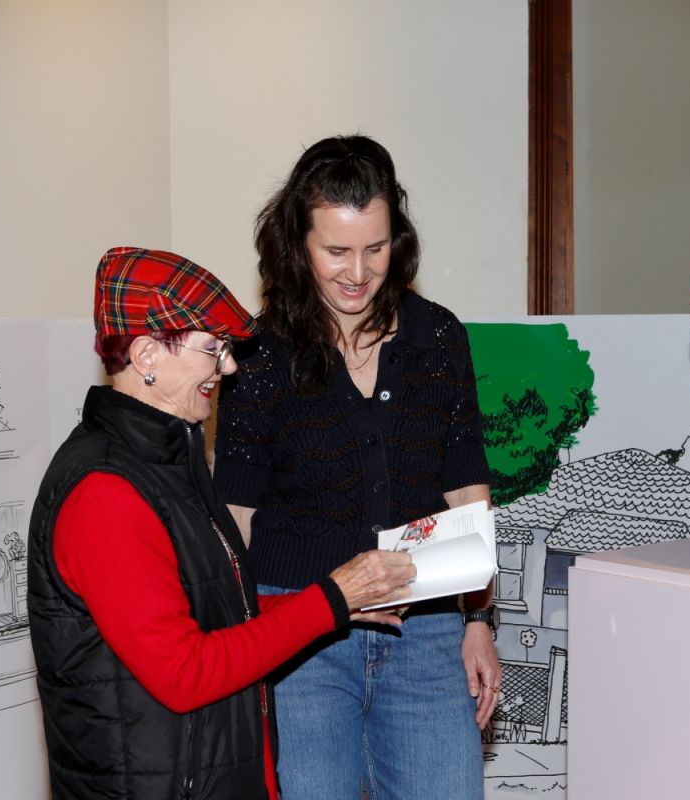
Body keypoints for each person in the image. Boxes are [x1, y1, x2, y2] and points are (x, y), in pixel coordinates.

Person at [27, 246, 415, 800]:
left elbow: (219, 619)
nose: (229, 366)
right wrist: (331, 597)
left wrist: (343, 604)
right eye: (213, 348)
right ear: (146, 355)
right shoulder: (104, 492)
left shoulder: (167, 466)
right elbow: (184, 673)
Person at [213, 135, 501, 799]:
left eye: (375, 249)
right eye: (335, 251)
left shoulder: (437, 338)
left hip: (427, 629)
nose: (357, 271)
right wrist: (238, 656)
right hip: (300, 638)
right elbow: (235, 517)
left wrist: (481, 620)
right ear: (297, 245)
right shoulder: (257, 358)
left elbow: (466, 488)